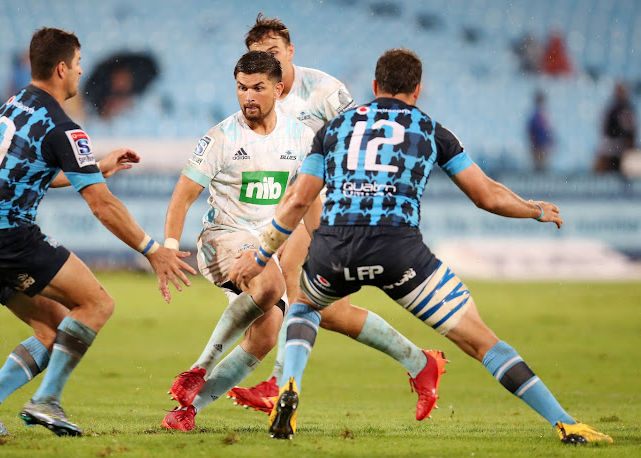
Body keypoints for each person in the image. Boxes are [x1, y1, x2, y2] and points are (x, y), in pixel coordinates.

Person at [231, 48, 614, 445]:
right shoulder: (431, 130)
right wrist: (534, 210)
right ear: (418, 90)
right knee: (482, 341)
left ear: (375, 86)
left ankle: (289, 384)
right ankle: (565, 423)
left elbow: (297, 201)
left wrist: (261, 255)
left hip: (336, 248)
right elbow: (487, 196)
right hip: (400, 252)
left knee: (305, 306)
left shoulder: (334, 129)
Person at [0, 27, 195, 437]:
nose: (82, 72)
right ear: (62, 68)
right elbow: (102, 205)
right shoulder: (63, 126)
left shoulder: (10, 108)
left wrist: (95, 167)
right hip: (11, 236)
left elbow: (31, 176)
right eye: (79, 63)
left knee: (53, 330)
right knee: (97, 304)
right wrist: (152, 249)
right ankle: (46, 401)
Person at [227, 13, 446, 421]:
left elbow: (363, 131)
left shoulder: (324, 90)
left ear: (290, 52)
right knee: (328, 312)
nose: (266, 64)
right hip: (289, 201)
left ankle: (278, 384)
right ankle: (420, 363)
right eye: (257, 58)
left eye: (273, 53)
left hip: (328, 200)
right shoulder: (260, 94)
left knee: (295, 282)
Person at [159, 50, 315, 431]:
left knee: (266, 335)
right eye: (242, 88)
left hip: (262, 246)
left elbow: (308, 197)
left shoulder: (301, 136)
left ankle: (186, 410)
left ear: (278, 89)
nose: (248, 96)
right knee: (274, 284)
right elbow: (182, 195)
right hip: (221, 240)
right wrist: (167, 245)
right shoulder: (221, 137)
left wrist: (327, 239)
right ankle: (198, 369)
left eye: (258, 88)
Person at [594, 82, 636, 173]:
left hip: (624, 143)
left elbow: (632, 130)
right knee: (603, 154)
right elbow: (605, 130)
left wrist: (629, 143)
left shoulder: (629, 109)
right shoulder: (612, 109)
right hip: (612, 142)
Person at [527, 91, 554, 172]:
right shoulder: (537, 117)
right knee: (539, 169)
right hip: (539, 147)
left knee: (541, 169)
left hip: (541, 147)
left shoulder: (544, 116)